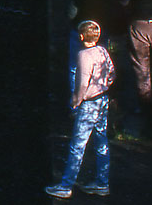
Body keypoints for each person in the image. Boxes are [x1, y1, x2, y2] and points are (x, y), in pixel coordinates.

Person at [46, 20, 115, 198]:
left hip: (89, 104)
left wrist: (75, 102)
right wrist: (103, 87)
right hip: (103, 102)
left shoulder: (83, 55)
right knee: (101, 142)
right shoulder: (103, 51)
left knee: (77, 145)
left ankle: (66, 186)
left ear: (81, 36)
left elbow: (82, 84)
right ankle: (102, 183)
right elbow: (112, 73)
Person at [67, 0, 123, 94]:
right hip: (103, 29)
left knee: (76, 66)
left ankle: (77, 101)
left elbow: (72, 12)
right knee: (101, 65)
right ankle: (100, 96)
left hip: (82, 29)